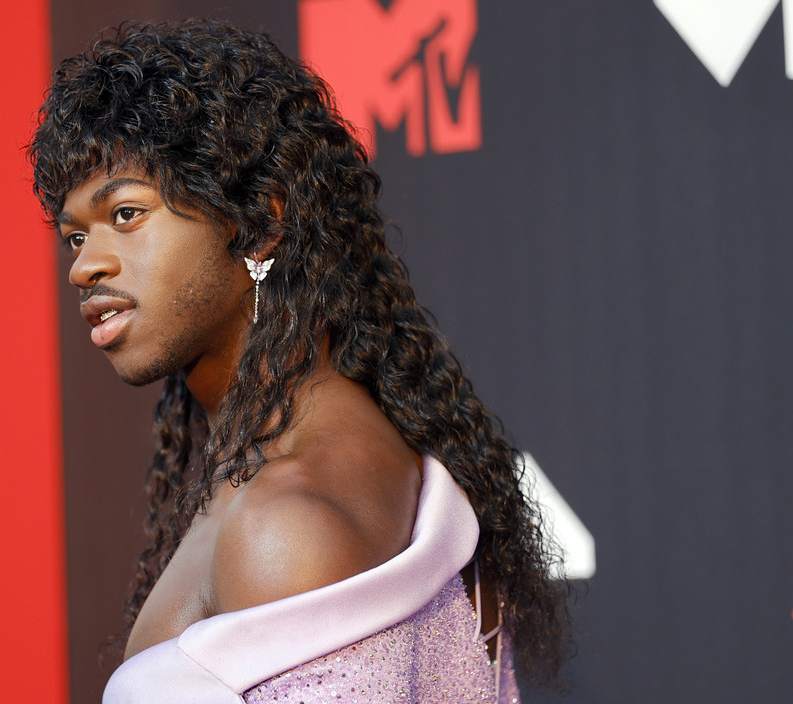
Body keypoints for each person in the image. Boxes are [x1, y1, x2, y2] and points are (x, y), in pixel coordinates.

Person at [30, 19, 569, 703]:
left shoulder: (284, 523)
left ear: (260, 222)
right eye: (75, 236)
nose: (84, 267)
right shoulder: (339, 456)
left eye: (127, 214)